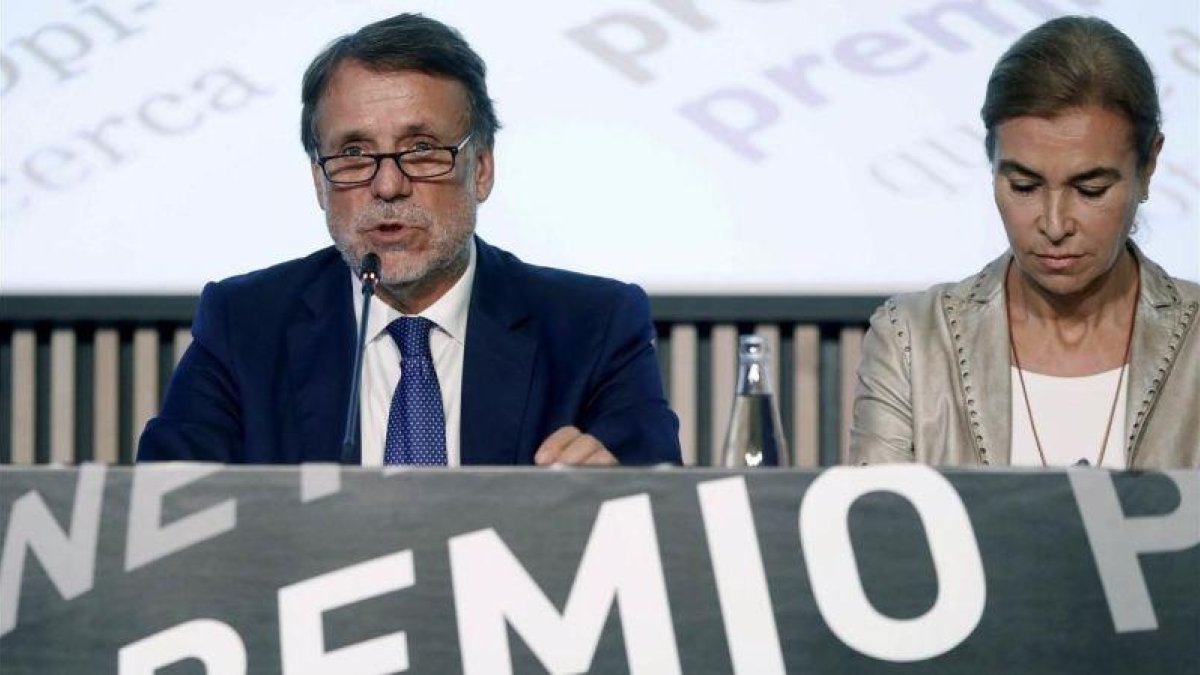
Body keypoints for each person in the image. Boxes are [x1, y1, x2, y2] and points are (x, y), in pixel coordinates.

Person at [137, 13, 681, 466]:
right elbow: (162, 511)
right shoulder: (245, 323)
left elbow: (667, 520)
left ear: (482, 168)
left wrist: (617, 497)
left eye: (421, 148)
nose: (388, 185)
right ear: (318, 181)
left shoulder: (593, 326)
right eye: (353, 154)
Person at [850, 16, 1198, 468]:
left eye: (1089, 190)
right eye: (1024, 186)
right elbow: (878, 529)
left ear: (1148, 166)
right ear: (990, 162)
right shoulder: (914, 340)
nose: (1054, 225)